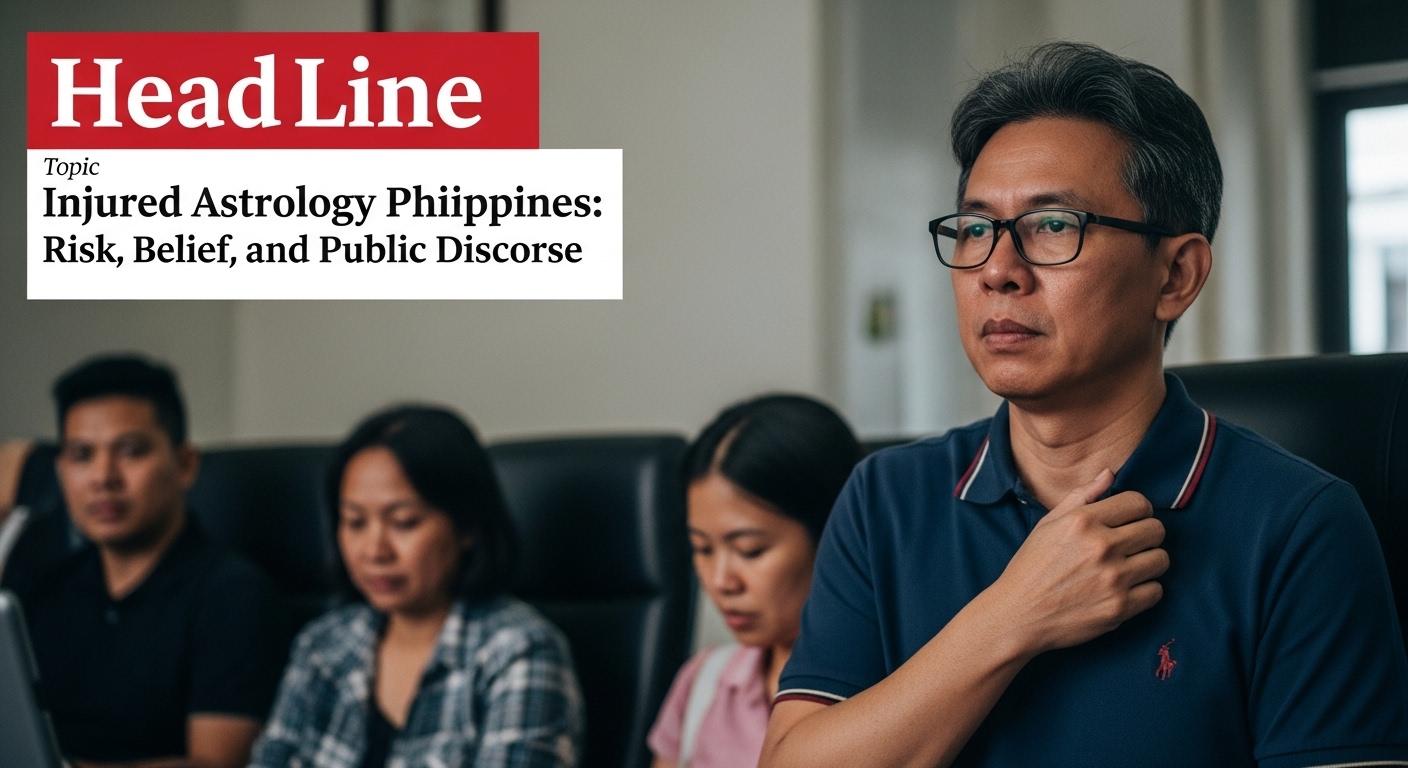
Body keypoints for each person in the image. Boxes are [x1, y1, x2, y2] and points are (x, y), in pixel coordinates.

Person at [761, 42, 1408, 768]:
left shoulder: (1298, 526)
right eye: (976, 228)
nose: (998, 271)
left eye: (1053, 226)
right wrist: (1012, 616)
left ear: (1176, 275)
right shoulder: (885, 497)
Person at [250, 404, 583, 768]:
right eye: (355, 522)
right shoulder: (323, 646)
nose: (375, 551)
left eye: (404, 522)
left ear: (467, 525)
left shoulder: (517, 651)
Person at [15, 354, 285, 767]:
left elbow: (217, 765)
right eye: (82, 455)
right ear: (61, 470)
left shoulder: (233, 594)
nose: (103, 478)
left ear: (185, 464)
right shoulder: (42, 586)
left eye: (130, 451)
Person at [648, 394, 862, 768]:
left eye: (750, 550)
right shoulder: (703, 683)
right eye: (702, 549)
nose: (721, 582)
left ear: (834, 535)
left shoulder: (894, 690)